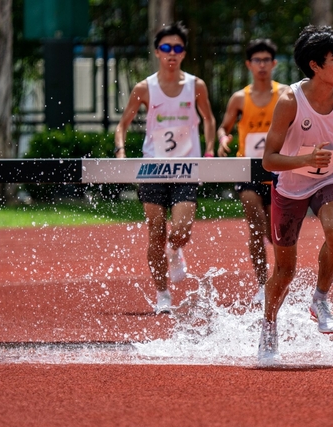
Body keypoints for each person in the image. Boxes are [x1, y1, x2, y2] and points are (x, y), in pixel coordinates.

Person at [259, 25, 333, 359]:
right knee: (284, 271)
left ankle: (320, 298)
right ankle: (268, 327)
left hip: (330, 179)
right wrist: (306, 159)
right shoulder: (289, 101)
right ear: (314, 65)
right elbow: (268, 160)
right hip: (291, 188)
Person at [114, 21, 216, 314]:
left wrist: (208, 150)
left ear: (184, 53)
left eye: (178, 48)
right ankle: (162, 295)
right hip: (153, 167)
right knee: (155, 232)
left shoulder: (195, 85)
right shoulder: (144, 88)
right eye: (166, 48)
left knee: (181, 230)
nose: (172, 53)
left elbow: (208, 119)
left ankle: (176, 251)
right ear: (158, 51)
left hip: (186, 167)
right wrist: (120, 153)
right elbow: (122, 127)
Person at [216, 39, 288, 304]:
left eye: (266, 60)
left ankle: (281, 279)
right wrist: (224, 139)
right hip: (248, 170)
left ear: (274, 64)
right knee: (256, 228)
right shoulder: (239, 98)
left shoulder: (285, 95)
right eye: (256, 60)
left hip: (277, 169)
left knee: (273, 232)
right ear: (249, 65)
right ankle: (262, 285)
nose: (261, 65)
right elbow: (224, 127)